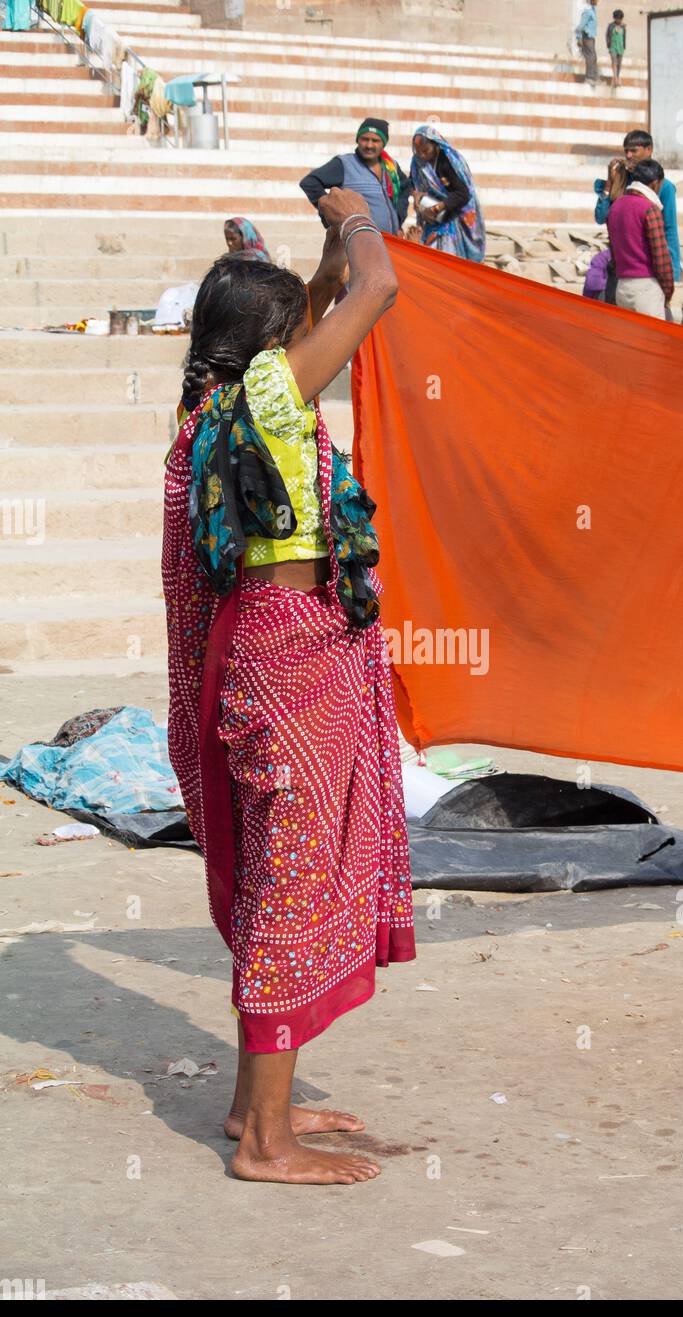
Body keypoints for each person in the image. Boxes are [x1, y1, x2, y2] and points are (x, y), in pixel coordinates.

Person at [163, 188, 416, 1186]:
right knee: (293, 885)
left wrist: (315, 257)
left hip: (272, 651)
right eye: (297, 325)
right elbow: (381, 286)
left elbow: (317, 310)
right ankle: (269, 1142)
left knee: (281, 871)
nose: (313, 331)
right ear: (272, 346)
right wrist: (358, 221)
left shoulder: (219, 403)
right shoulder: (275, 395)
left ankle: (245, 1107)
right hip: (292, 664)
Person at [594, 130, 681, 284]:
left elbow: (670, 229)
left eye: (634, 150)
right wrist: (609, 184)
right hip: (620, 263)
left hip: (647, 267)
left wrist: (673, 271)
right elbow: (601, 217)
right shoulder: (619, 181)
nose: (628, 155)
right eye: (626, 151)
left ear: (649, 150)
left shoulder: (663, 187)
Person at [300, 118, 412, 236]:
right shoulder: (344, 163)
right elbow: (309, 183)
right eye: (365, 139)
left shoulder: (391, 167)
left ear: (383, 143)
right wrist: (330, 212)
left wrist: (398, 219)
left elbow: (404, 189)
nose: (369, 145)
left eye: (375, 140)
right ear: (358, 140)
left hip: (390, 241)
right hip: (358, 243)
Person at [606, 158, 673, 319]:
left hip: (622, 286)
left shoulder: (615, 207)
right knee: (652, 342)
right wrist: (668, 291)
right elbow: (661, 257)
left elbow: (613, 252)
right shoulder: (649, 209)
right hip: (646, 287)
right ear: (656, 183)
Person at [409, 125, 486, 261]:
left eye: (425, 150)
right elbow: (411, 183)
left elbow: (463, 194)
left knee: (447, 258)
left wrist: (438, 207)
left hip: (453, 217)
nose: (422, 155)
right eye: (418, 151)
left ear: (436, 145)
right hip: (432, 218)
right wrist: (416, 195)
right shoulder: (417, 163)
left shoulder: (447, 162)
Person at [575, 0, 599, 87]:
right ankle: (589, 77)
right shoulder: (587, 12)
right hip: (587, 37)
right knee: (590, 57)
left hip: (591, 37)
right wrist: (578, 38)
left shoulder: (593, 10)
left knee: (593, 57)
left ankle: (594, 77)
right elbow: (580, 27)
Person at [606, 9, 626, 90]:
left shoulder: (623, 27)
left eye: (620, 19)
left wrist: (624, 46)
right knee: (614, 62)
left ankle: (617, 77)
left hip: (620, 48)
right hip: (613, 47)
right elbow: (607, 35)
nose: (618, 20)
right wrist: (608, 44)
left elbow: (624, 37)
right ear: (614, 18)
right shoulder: (611, 26)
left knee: (619, 64)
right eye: (617, 18)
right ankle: (615, 79)